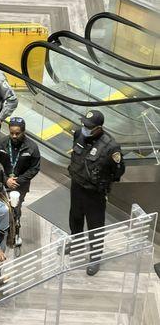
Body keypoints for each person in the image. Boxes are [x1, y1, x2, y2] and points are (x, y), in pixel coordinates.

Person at [68, 110, 125, 276]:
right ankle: (76, 242)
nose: (85, 128)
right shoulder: (79, 134)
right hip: (77, 185)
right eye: (84, 124)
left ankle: (95, 257)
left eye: (89, 126)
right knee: (75, 217)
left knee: (95, 226)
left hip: (95, 192)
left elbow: (118, 171)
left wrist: (104, 182)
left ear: (99, 128)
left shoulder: (111, 147)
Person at [0, 117, 41, 220]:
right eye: (11, 133)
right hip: (1, 182)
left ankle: (15, 230)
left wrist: (18, 180)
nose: (14, 136)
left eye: (17, 133)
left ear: (23, 131)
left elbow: (34, 168)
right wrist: (5, 179)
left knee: (15, 208)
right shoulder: (0, 144)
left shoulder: (32, 147)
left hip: (20, 185)